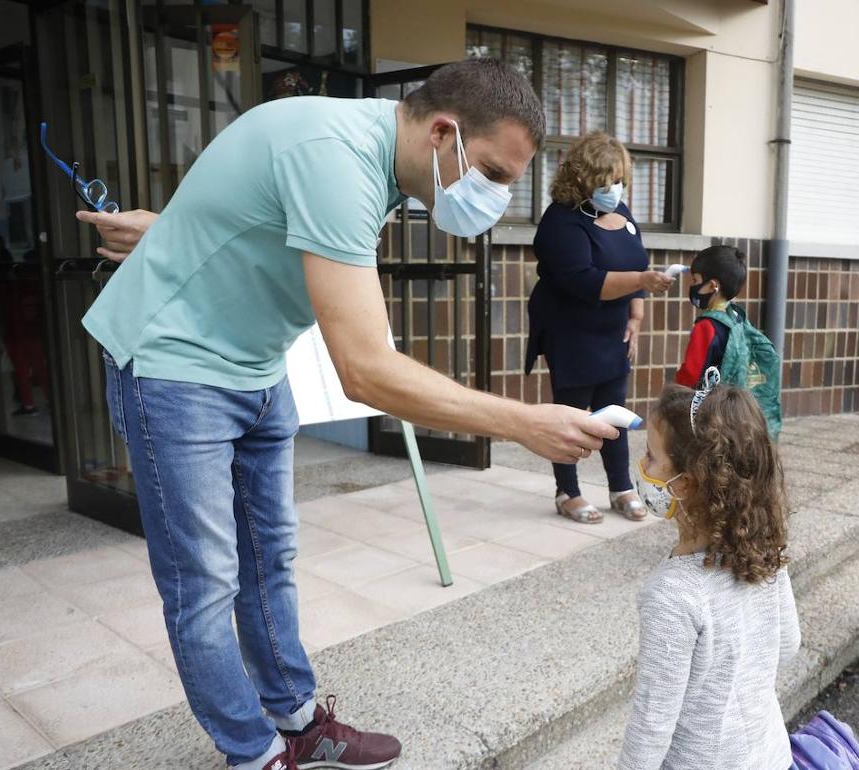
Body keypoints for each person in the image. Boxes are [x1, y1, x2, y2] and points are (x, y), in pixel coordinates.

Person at [76, 59, 617, 770]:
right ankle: (252, 751)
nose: (491, 197)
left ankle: (297, 720)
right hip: (175, 367)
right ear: (443, 132)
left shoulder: (383, 157)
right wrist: (523, 423)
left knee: (270, 560)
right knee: (205, 579)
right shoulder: (338, 158)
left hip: (256, 367)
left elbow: (247, 209)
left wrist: (168, 231)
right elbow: (364, 370)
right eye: (490, 173)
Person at [620, 376, 799, 769]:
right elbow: (787, 646)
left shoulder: (672, 594)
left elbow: (652, 723)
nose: (642, 467)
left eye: (651, 457)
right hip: (770, 753)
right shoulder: (762, 547)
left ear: (683, 483)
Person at [525, 132, 673, 524]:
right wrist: (641, 281)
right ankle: (567, 491)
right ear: (581, 178)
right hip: (571, 331)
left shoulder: (622, 214)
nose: (614, 189)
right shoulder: (561, 220)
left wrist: (636, 318)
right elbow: (586, 280)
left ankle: (620, 487)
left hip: (613, 331)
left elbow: (635, 262)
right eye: (605, 181)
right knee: (572, 415)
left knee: (614, 413)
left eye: (619, 179)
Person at [673, 245, 747, 388]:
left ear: (713, 286)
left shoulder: (706, 326)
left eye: (695, 280)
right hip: (732, 402)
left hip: (706, 404)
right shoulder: (737, 319)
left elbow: (691, 375)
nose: (692, 285)